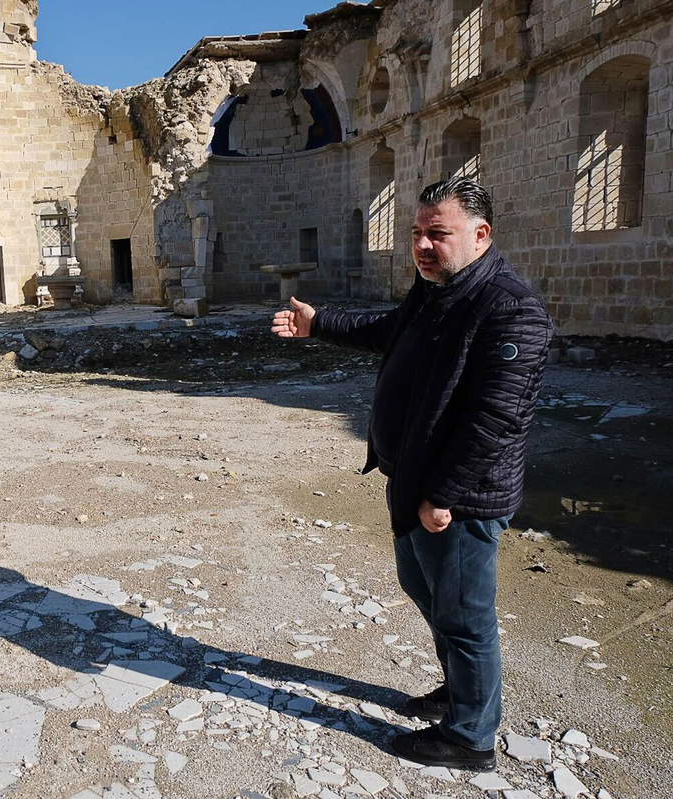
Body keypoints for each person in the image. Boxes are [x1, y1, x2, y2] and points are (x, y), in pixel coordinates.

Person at [271, 176, 553, 771]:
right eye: (417, 232)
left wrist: (443, 495)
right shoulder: (435, 290)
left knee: (465, 616)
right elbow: (388, 332)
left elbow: (496, 419)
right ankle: (460, 691)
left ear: (481, 234)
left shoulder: (509, 309)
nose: (422, 246)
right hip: (413, 482)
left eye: (437, 234)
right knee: (426, 590)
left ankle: (470, 738)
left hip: (459, 498)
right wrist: (320, 324)